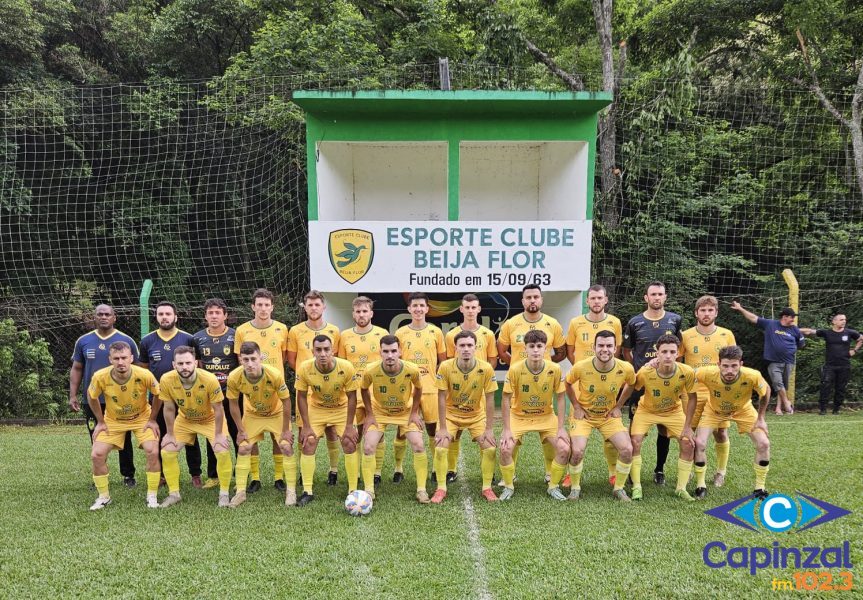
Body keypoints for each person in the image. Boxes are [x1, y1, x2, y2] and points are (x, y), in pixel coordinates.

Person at [497, 284, 566, 484]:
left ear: (541, 300)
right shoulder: (511, 324)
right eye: (528, 297)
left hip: (542, 384)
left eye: (536, 297)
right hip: (519, 384)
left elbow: (560, 352)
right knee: (514, 427)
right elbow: (501, 350)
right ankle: (511, 475)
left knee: (548, 428)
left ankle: (548, 472)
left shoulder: (552, 324)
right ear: (523, 301)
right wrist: (517, 368)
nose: (532, 300)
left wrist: (546, 368)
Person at [684, 345, 772, 499]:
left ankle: (760, 488)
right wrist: (656, 363)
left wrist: (761, 418)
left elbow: (766, 391)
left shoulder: (752, 375)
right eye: (725, 366)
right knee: (700, 443)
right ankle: (700, 485)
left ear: (741, 364)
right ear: (718, 365)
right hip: (714, 411)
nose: (729, 370)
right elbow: (686, 374)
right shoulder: (707, 372)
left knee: (763, 443)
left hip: (743, 410)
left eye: (734, 366)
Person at [617, 334, 697, 501]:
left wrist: (688, 426)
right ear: (657, 353)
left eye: (672, 352)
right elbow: (632, 386)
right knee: (635, 441)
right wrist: (618, 406)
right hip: (647, 410)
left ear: (677, 353)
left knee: (688, 443)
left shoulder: (686, 372)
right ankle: (637, 486)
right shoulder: (647, 371)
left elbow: (692, 398)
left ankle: (681, 488)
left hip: (673, 411)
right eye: (664, 351)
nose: (668, 355)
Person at [70, 304, 139, 487]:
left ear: (114, 317)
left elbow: (137, 370)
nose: (103, 317)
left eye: (107, 314)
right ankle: (100, 475)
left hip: (120, 400)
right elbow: (77, 368)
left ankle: (128, 475)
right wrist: (73, 395)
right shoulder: (83, 341)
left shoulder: (126, 340)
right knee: (97, 435)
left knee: (124, 437)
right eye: (100, 314)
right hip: (93, 400)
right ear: (94, 317)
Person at [561, 330, 635, 502]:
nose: (605, 349)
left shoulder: (625, 368)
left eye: (609, 346)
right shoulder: (581, 366)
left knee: (627, 449)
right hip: (584, 416)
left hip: (608, 416)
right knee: (577, 451)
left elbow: (631, 384)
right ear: (593, 347)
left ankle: (619, 488)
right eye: (601, 345)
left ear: (615, 348)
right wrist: (577, 406)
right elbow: (568, 383)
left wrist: (618, 406)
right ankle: (575, 488)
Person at [87, 341, 162, 510]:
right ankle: (103, 497)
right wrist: (100, 421)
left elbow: (159, 394)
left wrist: (152, 419)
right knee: (96, 455)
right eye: (116, 358)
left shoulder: (144, 374)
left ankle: (152, 496)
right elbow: (91, 396)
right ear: (110, 359)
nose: (120, 362)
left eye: (124, 358)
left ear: (131, 358)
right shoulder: (100, 376)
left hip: (141, 418)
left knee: (152, 450)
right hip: (113, 420)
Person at [622, 281, 683, 486]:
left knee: (664, 428)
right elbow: (627, 351)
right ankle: (632, 470)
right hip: (642, 383)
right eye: (653, 294)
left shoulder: (675, 320)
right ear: (646, 298)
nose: (657, 298)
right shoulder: (635, 322)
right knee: (635, 429)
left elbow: (678, 348)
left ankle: (659, 469)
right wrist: (641, 369)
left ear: (665, 297)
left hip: (667, 383)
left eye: (660, 294)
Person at [157, 346, 232, 507]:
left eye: (188, 363)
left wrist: (219, 435)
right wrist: (169, 434)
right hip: (185, 420)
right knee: (167, 451)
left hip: (210, 419)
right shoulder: (166, 379)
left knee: (222, 450)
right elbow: (169, 409)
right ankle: (174, 494)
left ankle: (224, 494)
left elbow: (219, 409)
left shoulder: (209, 379)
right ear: (174, 365)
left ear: (196, 363)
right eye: (181, 363)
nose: (185, 367)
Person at [498, 330, 569, 501]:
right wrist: (506, 429)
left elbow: (560, 398)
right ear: (525, 348)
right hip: (519, 417)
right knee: (505, 448)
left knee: (565, 448)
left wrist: (561, 428)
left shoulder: (554, 369)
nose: (536, 350)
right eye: (532, 346)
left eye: (539, 346)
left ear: (546, 348)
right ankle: (508, 485)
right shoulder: (515, 369)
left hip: (546, 417)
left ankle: (553, 486)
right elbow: (505, 399)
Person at [565, 284, 624, 487]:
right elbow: (570, 351)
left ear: (606, 300)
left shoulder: (615, 322)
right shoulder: (576, 322)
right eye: (592, 298)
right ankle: (570, 474)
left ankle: (613, 472)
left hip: (607, 385)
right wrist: (585, 371)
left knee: (611, 434)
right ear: (587, 301)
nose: (596, 301)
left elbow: (616, 352)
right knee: (577, 436)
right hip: (582, 385)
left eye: (600, 298)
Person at [359, 335, 429, 503]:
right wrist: (369, 414)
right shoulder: (370, 370)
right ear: (380, 352)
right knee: (368, 447)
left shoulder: (412, 369)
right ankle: (369, 490)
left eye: (393, 351)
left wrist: (414, 413)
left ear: (400, 352)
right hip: (379, 413)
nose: (390, 355)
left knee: (419, 444)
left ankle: (421, 490)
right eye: (386, 351)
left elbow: (419, 389)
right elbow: (363, 390)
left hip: (404, 412)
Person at [225, 342, 295, 508]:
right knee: (243, 447)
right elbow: (233, 404)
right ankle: (240, 492)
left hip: (275, 413)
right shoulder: (234, 377)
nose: (250, 364)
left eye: (253, 359)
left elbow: (286, 401)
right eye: (246, 359)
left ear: (261, 357)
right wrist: (240, 430)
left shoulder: (274, 374)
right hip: (253, 415)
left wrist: (286, 430)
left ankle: (291, 491)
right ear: (240, 360)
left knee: (285, 446)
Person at [138, 301, 200, 486]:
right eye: (160, 314)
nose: (164, 317)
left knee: (190, 436)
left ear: (175, 317)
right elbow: (144, 371)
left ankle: (195, 474)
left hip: (186, 396)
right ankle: (164, 475)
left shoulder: (188, 339)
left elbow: (197, 367)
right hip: (158, 397)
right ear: (156, 317)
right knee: (162, 434)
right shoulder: (147, 340)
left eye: (168, 314)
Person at [433, 330, 499, 503]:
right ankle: (441, 488)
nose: (466, 349)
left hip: (476, 415)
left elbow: (491, 399)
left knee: (490, 448)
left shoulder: (485, 368)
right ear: (455, 348)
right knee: (440, 447)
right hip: (451, 415)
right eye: (462, 345)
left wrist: (489, 429)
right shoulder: (446, 367)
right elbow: (440, 397)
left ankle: (487, 487)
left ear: (476, 347)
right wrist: (442, 428)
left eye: (470, 345)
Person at [234, 288, 289, 492]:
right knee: (251, 437)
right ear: (253, 307)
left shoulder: (282, 328)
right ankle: (255, 478)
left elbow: (283, 357)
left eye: (267, 305)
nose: (263, 309)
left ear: (272, 307)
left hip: (275, 389)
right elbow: (240, 358)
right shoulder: (242, 330)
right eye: (260, 305)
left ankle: (278, 477)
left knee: (279, 438)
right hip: (251, 391)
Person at [295, 335, 359, 507]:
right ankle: (307, 491)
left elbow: (352, 397)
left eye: (326, 349)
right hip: (317, 409)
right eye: (318, 350)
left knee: (349, 442)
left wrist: (349, 425)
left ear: (333, 350)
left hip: (340, 408)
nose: (322, 353)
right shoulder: (305, 368)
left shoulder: (345, 367)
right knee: (308, 442)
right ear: (313, 351)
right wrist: (306, 426)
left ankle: (353, 489)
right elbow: (300, 396)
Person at [679, 295, 737, 487]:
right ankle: (688, 473)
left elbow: (733, 365)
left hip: (718, 393)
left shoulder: (726, 335)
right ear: (696, 313)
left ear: (716, 313)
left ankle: (721, 472)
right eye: (703, 310)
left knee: (720, 432)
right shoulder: (686, 335)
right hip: (692, 392)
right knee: (690, 434)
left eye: (710, 310)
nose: (706, 314)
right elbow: (677, 363)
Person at [442, 293, 499, 483]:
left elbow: (492, 360)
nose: (470, 311)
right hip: (457, 389)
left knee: (483, 433)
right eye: (467, 307)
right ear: (461, 309)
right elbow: (450, 361)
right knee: (454, 433)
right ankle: (450, 469)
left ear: (479, 309)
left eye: (474, 307)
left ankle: (488, 475)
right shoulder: (451, 335)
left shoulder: (488, 334)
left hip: (479, 388)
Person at [288, 290, 343, 486]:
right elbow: (291, 359)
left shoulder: (335, 331)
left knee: (332, 431)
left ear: (323, 307)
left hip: (330, 388)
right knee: (305, 432)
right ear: (305, 307)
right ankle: (305, 473)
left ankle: (333, 470)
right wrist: (310, 376)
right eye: (310, 305)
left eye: (317, 304)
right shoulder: (295, 331)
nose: (313, 308)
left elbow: (336, 359)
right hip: (306, 389)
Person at [394, 292, 446, 483]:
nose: (417, 309)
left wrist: (431, 378)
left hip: (430, 388)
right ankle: (398, 468)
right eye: (414, 306)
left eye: (421, 306)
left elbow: (442, 362)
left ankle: (434, 467)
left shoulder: (436, 332)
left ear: (427, 308)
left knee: (433, 429)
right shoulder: (401, 333)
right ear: (409, 309)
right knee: (402, 430)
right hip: (407, 390)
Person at [337, 296, 388, 488]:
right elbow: (341, 365)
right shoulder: (345, 336)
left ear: (371, 313)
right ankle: (356, 472)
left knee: (377, 432)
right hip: (353, 392)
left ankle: (376, 472)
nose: (361, 315)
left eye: (365, 311)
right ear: (353, 314)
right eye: (358, 311)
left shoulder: (381, 333)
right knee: (353, 433)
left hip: (375, 393)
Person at [191, 298, 239, 489]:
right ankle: (214, 475)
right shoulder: (197, 338)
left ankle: (242, 474)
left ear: (225, 315)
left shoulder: (235, 335)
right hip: (210, 396)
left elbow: (240, 362)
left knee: (237, 433)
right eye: (210, 313)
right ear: (205, 316)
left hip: (232, 394)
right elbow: (199, 367)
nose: (214, 316)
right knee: (214, 434)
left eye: (217, 312)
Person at [730, 302, 805, 415]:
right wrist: (741, 308)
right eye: (792, 317)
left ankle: (779, 408)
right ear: (784, 317)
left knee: (782, 386)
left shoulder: (795, 330)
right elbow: (754, 318)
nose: (794, 319)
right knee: (777, 382)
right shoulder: (771, 324)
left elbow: (801, 344)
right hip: (773, 361)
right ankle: (786, 402)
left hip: (789, 361)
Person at [801, 314, 862, 414]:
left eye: (845, 320)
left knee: (840, 388)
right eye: (841, 319)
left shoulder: (850, 332)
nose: (844, 321)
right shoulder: (826, 333)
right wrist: (794, 328)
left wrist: (854, 350)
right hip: (830, 366)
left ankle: (836, 409)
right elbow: (809, 331)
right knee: (825, 386)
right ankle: (823, 409)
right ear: (834, 321)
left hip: (844, 365)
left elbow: (861, 339)